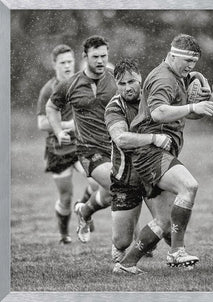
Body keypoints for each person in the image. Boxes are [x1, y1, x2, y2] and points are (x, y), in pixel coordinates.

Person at [129, 33, 213, 268]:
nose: (191, 67)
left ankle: (126, 264)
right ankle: (177, 252)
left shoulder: (177, 76)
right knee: (189, 186)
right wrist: (193, 105)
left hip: (159, 151)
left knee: (162, 221)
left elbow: (186, 114)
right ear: (172, 56)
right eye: (187, 62)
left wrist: (209, 102)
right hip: (151, 151)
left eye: (194, 62)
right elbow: (159, 113)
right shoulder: (164, 78)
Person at [104, 58, 174, 274]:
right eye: (122, 83)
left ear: (140, 78)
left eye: (131, 81)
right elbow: (122, 139)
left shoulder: (152, 98)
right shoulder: (114, 107)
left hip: (152, 171)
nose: (127, 88)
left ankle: (178, 255)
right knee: (123, 240)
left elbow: (181, 110)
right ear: (116, 84)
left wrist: (203, 101)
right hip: (126, 178)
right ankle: (120, 246)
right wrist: (154, 139)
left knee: (168, 224)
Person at [46, 35, 117, 243]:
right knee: (122, 188)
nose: (100, 61)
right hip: (89, 151)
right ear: (85, 57)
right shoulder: (71, 83)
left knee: (108, 194)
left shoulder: (116, 78)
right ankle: (131, 246)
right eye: (95, 57)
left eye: (104, 56)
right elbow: (51, 107)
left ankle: (85, 211)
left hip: (117, 147)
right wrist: (59, 131)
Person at [36, 44, 98, 244]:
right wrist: (66, 125)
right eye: (62, 62)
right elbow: (41, 122)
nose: (67, 66)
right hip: (59, 149)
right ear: (54, 65)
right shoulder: (48, 89)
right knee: (65, 197)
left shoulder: (83, 82)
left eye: (70, 61)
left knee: (96, 183)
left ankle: (83, 207)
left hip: (82, 145)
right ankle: (64, 235)